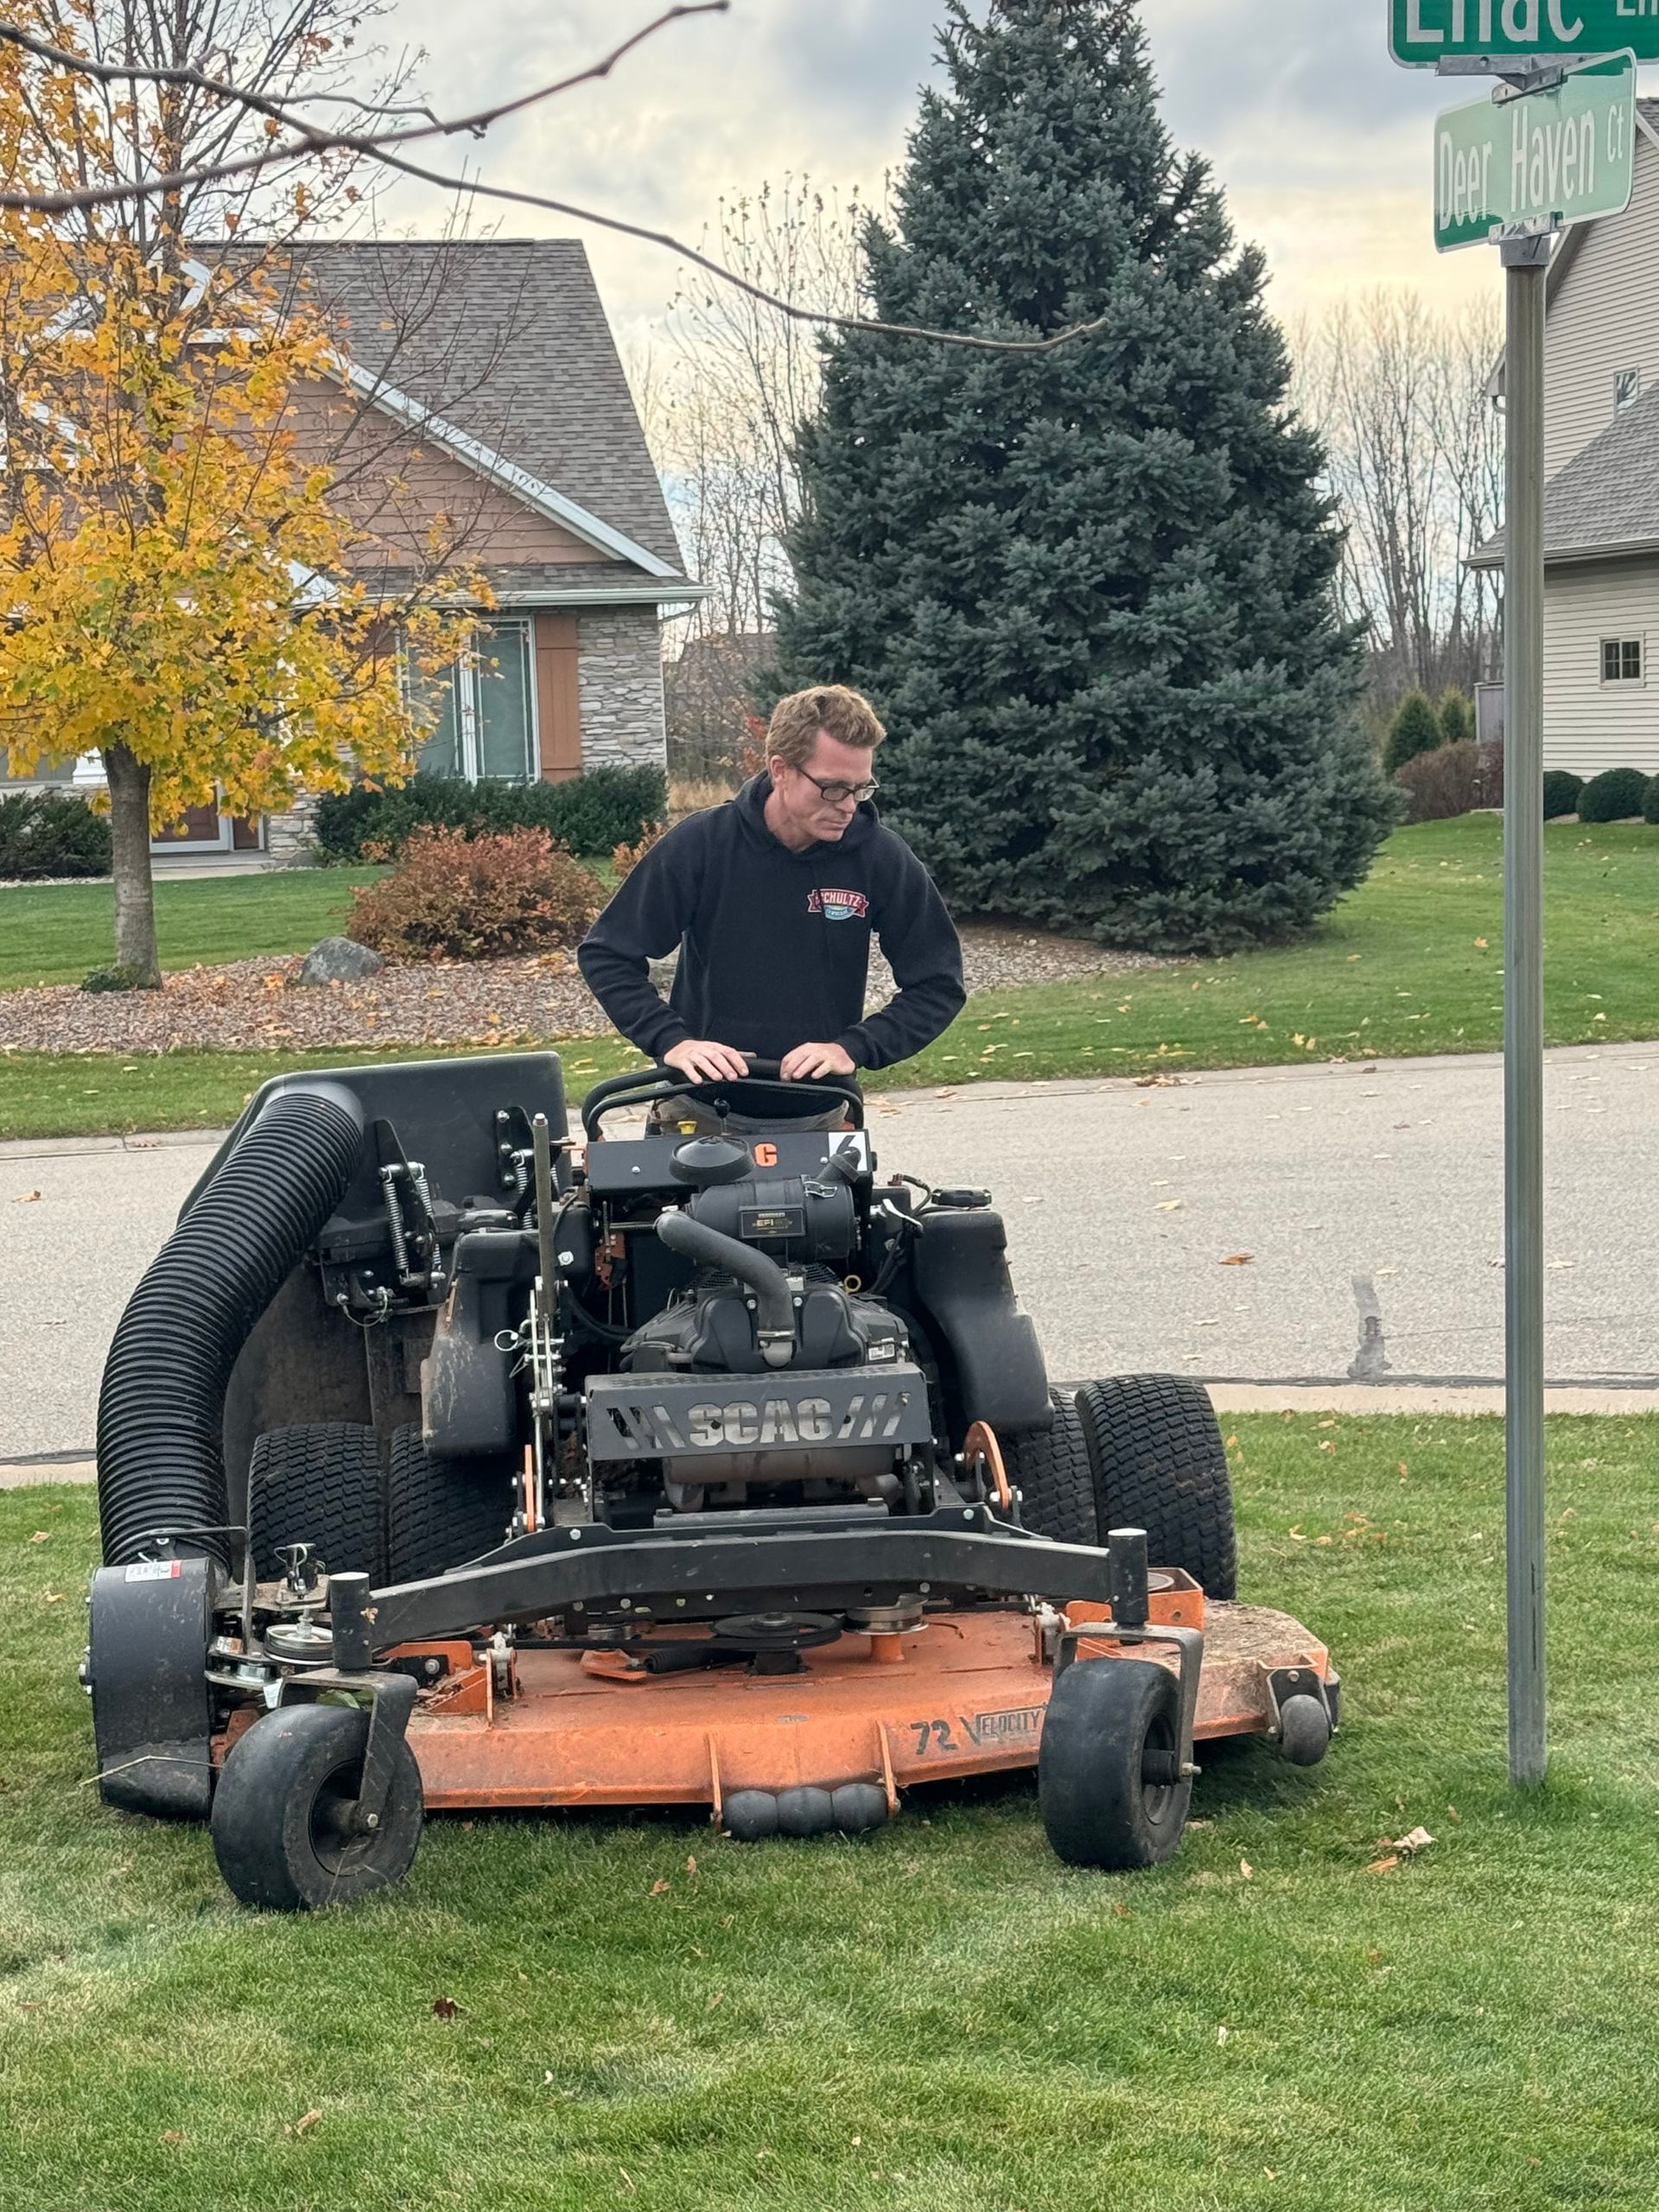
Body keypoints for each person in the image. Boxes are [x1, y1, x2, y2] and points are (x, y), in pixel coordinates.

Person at [577, 683, 966, 1130]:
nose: (848, 806)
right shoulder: (704, 845)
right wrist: (673, 1042)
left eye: (861, 788)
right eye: (833, 788)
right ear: (780, 770)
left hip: (822, 1112)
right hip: (697, 1113)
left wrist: (854, 1048)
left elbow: (938, 984)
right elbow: (607, 954)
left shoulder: (880, 858)